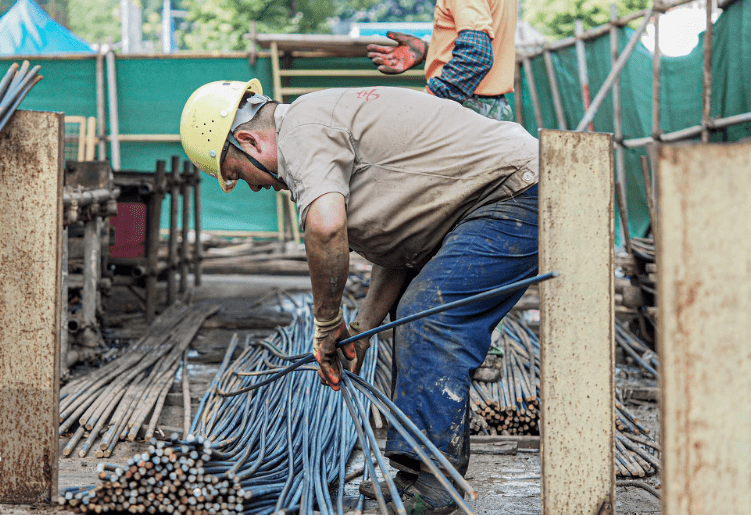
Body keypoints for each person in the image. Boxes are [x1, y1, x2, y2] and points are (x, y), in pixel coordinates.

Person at [180, 79, 539, 515]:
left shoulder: (302, 129)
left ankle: (435, 482)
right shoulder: (319, 123)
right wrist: (362, 329)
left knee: (429, 317)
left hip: (518, 192)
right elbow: (406, 245)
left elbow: (326, 227)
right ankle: (418, 477)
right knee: (413, 315)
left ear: (247, 139)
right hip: (500, 196)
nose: (254, 187)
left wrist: (328, 324)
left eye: (238, 173)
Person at [366, 0, 517, 122]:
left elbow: (476, 53)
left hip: (465, 110)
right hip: (493, 108)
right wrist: (429, 51)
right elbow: (484, 43)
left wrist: (430, 100)